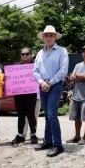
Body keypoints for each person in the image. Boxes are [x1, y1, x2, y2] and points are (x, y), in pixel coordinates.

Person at [33, 25, 68, 157]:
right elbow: (35, 71)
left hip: (55, 85)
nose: (48, 37)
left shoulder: (62, 51)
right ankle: (48, 141)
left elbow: (63, 70)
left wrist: (50, 82)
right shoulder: (39, 53)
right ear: (43, 37)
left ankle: (58, 145)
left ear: (55, 37)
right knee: (47, 115)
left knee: (52, 115)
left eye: (51, 35)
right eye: (46, 35)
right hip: (43, 85)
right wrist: (42, 82)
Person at [66, 45, 85, 145]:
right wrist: (82, 77)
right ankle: (77, 136)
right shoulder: (78, 65)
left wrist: (78, 76)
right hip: (76, 96)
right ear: (82, 53)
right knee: (77, 118)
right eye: (84, 52)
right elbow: (71, 78)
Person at [11, 47, 39, 145]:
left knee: (31, 115)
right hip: (19, 96)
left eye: (27, 54)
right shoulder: (16, 66)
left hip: (31, 95)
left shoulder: (35, 66)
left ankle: (33, 135)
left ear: (31, 55)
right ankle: (20, 135)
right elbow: (11, 79)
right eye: (23, 54)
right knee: (20, 116)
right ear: (21, 56)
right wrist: (8, 78)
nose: (25, 56)